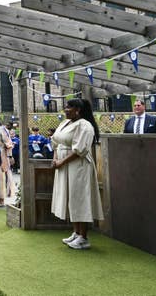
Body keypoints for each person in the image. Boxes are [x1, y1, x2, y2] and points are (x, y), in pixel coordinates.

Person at [51, 98, 104, 250]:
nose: (65, 110)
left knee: (80, 198)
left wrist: (62, 162)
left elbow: (80, 149)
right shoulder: (65, 123)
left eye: (68, 107)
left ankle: (83, 237)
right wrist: (56, 159)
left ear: (77, 110)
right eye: (65, 107)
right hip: (64, 165)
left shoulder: (85, 126)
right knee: (70, 197)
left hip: (78, 166)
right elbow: (55, 141)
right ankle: (76, 232)